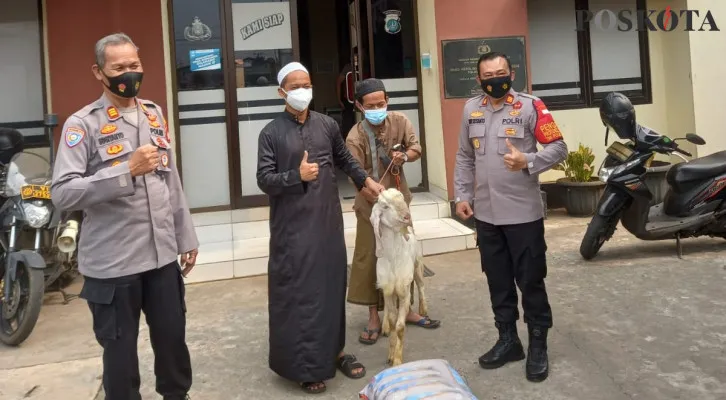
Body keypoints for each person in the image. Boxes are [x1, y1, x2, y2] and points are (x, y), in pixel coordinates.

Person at [51, 33, 197, 400]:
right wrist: (124, 172)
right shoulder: (81, 124)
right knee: (119, 357)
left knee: (173, 345)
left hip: (162, 256)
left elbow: (170, 179)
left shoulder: (153, 113)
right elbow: (63, 192)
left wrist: (186, 236)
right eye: (118, 68)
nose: (128, 74)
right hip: (114, 264)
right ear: (99, 72)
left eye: (134, 66)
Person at [257, 62, 386, 395]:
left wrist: (367, 181)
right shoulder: (270, 133)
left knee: (330, 287)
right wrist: (295, 177)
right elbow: (264, 179)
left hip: (327, 223)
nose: (303, 91)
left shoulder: (327, 125)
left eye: (308, 83)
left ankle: (336, 351)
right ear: (281, 92)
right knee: (302, 295)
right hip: (292, 229)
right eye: (295, 85)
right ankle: (304, 365)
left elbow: (345, 159)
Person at [453, 51, 567, 383]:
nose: (495, 79)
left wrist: (528, 161)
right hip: (486, 214)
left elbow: (559, 148)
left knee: (530, 280)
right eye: (488, 75)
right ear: (479, 80)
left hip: (522, 214)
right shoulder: (470, 109)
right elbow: (464, 156)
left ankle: (537, 345)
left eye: (500, 72)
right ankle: (508, 340)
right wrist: (462, 195)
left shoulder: (532, 107)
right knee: (498, 281)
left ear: (512, 73)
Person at [345, 78, 441, 345]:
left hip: (399, 205)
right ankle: (375, 317)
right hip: (371, 209)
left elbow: (416, 147)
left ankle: (406, 309)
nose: (378, 108)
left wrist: (406, 156)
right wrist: (370, 190)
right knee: (371, 258)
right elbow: (353, 172)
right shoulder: (355, 136)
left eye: (382, 103)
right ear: (359, 106)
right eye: (371, 105)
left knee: (403, 255)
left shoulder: (399, 121)